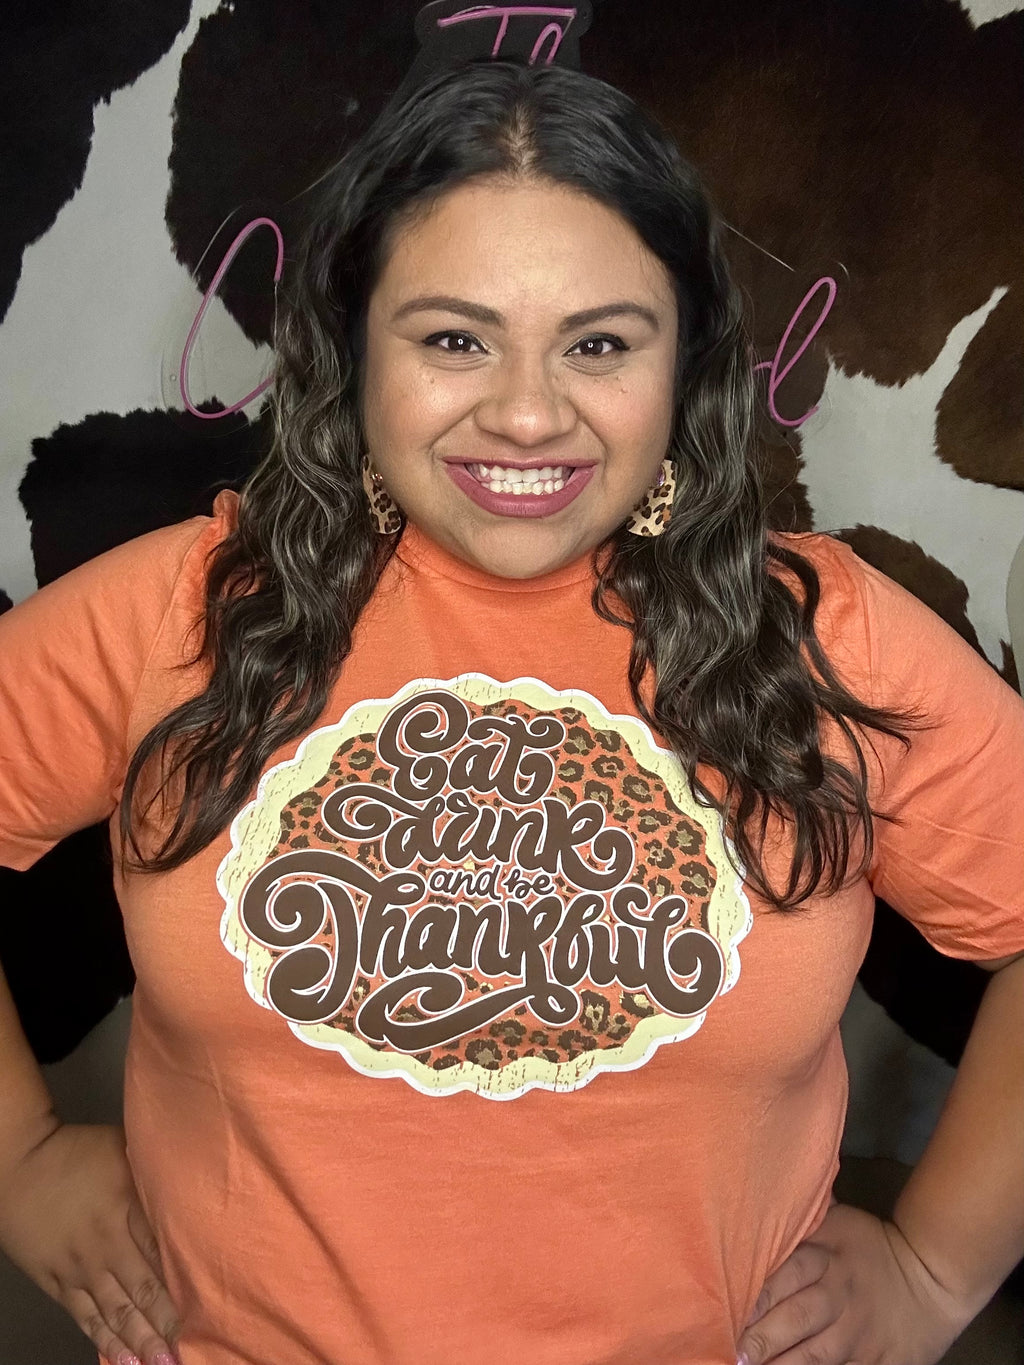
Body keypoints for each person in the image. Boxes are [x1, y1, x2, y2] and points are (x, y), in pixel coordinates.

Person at [0, 58, 1022, 1365]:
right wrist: (22, 1160)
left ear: (687, 362)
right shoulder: (178, 613)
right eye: (453, 339)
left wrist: (935, 1270)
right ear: (351, 350)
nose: (529, 414)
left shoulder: (832, 640)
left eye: (599, 343)